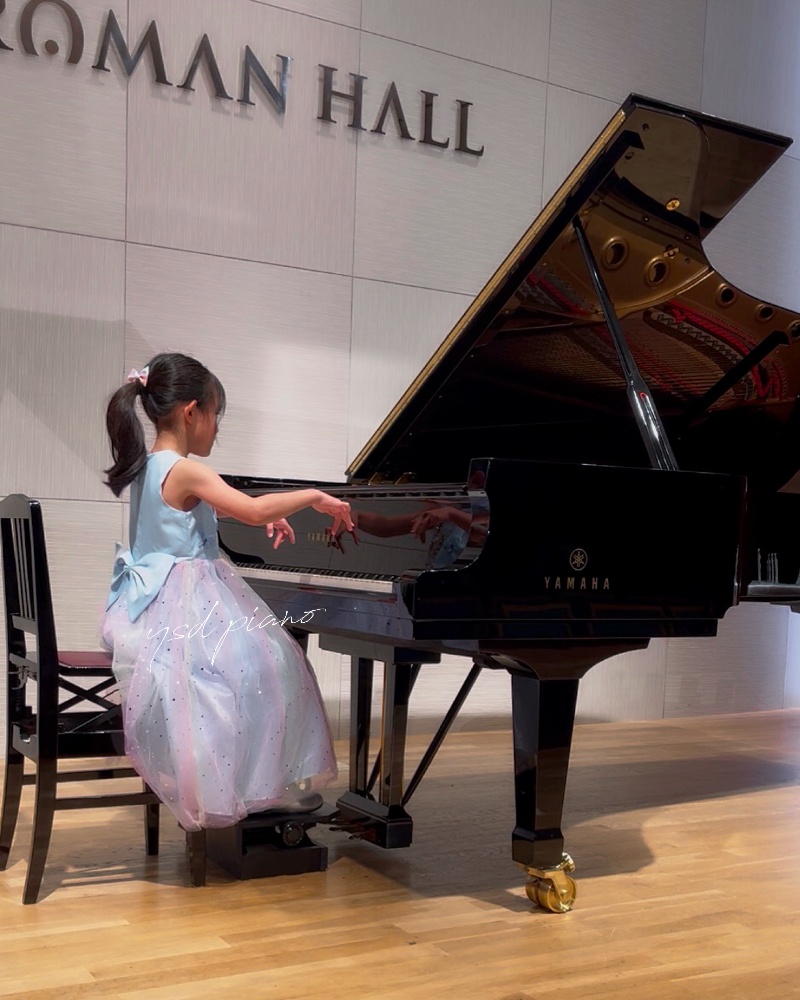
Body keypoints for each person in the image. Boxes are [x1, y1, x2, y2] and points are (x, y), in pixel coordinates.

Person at [100, 352, 354, 832]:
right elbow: (252, 510)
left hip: (150, 604)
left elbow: (186, 513)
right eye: (216, 415)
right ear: (191, 412)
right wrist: (314, 497)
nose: (217, 429)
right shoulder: (185, 469)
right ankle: (253, 786)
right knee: (271, 666)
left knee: (260, 665)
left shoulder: (149, 465)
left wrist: (245, 513)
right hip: (184, 606)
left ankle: (248, 781)